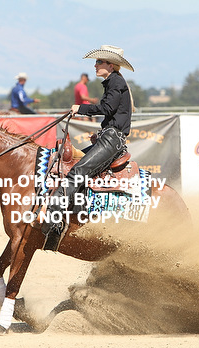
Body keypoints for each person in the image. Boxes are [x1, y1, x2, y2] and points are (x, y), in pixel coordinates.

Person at [42, 45, 135, 249]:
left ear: (110, 65)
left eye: (99, 62)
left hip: (112, 140)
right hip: (109, 137)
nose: (95, 65)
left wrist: (81, 108)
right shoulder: (114, 82)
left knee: (77, 172)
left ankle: (54, 222)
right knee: (74, 164)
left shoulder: (116, 82)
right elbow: (112, 114)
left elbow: (106, 108)